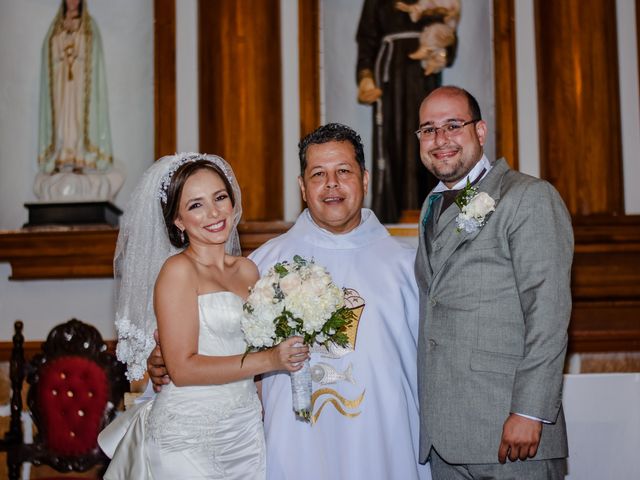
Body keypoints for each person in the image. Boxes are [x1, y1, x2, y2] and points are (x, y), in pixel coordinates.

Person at [149, 124, 431, 479]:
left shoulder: (407, 266)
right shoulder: (265, 264)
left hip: (381, 440)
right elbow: (208, 339)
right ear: (302, 187)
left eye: (343, 171)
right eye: (318, 174)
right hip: (293, 443)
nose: (332, 184)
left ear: (365, 179)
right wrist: (161, 360)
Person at [98, 153, 308, 479]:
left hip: (244, 431)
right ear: (178, 221)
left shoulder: (248, 270)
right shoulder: (177, 272)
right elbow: (182, 369)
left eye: (219, 197)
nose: (213, 212)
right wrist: (271, 360)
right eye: (195, 205)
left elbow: (255, 343)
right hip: (188, 435)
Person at [415, 86, 572, 479]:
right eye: (429, 130)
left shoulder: (527, 197)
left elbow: (548, 310)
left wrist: (529, 410)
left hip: (511, 434)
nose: (441, 140)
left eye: (453, 125)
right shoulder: (431, 205)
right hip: (445, 439)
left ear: (480, 131)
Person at [356, 0, 459, 223]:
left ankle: (431, 211)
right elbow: (366, 38)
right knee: (392, 138)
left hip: (425, 74)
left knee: (431, 135)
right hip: (391, 75)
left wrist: (442, 51)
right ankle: (391, 215)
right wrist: (365, 76)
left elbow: (450, 31)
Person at [38, 0, 113, 173]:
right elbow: (48, 50)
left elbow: (93, 54)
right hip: (61, 82)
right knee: (62, 119)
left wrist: (77, 50)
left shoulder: (89, 25)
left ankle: (80, 157)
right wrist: (63, 49)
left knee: (78, 118)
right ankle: (61, 155)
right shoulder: (56, 26)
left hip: (81, 84)